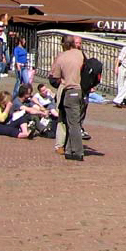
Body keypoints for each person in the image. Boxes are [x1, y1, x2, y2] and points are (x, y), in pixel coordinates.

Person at [49, 34, 85, 162]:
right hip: (80, 91)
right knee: (73, 121)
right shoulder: (80, 54)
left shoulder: (61, 57)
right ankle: (69, 149)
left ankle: (78, 151)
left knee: (71, 123)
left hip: (68, 90)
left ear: (63, 44)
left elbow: (55, 77)